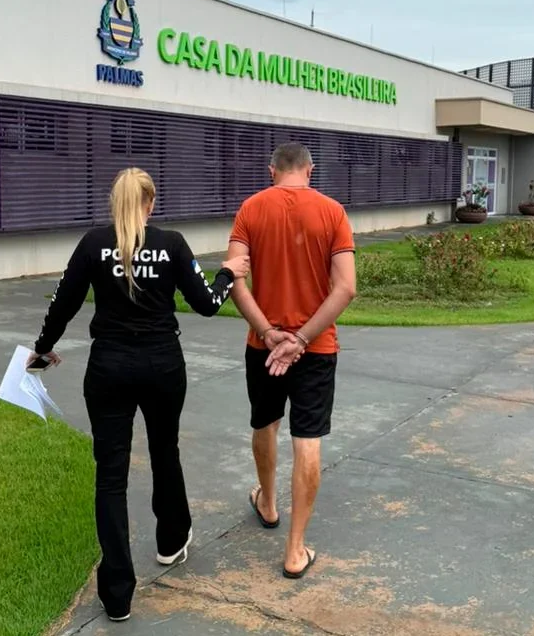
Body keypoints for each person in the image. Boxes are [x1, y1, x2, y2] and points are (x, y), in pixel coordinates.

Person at [27, 167, 249, 622]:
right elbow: (207, 303)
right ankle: (171, 541)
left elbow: (62, 303)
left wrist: (42, 349)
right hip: (162, 365)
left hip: (109, 368)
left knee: (111, 475)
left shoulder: (93, 243)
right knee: (165, 450)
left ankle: (117, 594)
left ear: (115, 203)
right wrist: (227, 274)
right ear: (151, 203)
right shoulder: (172, 244)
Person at [226, 142, 357, 580]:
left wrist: (268, 333)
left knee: (265, 423)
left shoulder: (250, 209)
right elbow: (346, 288)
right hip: (315, 348)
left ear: (272, 171)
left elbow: (233, 280)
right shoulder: (333, 212)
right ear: (309, 170)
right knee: (308, 441)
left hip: (264, 347)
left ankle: (267, 503)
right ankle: (295, 551)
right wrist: (301, 338)